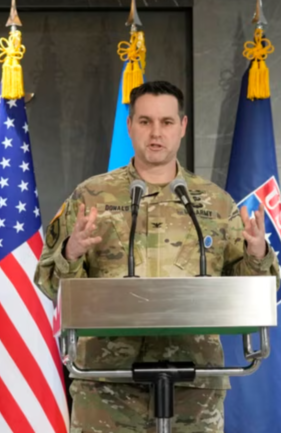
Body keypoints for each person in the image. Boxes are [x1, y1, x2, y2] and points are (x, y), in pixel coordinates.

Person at [35, 81, 279, 432]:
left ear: (182, 126)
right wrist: (70, 253)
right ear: (130, 125)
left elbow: (253, 294)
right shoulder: (90, 196)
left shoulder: (216, 202)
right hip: (106, 385)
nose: (156, 133)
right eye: (145, 121)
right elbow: (49, 284)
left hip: (194, 384)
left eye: (166, 122)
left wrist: (257, 256)